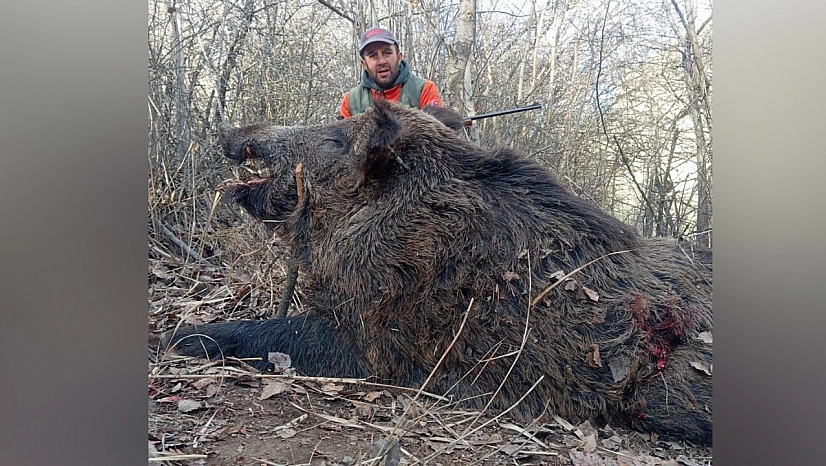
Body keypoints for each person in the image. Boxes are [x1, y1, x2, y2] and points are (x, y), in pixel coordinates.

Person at [339, 27, 444, 119]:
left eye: (387, 53)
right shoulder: (351, 101)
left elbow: (441, 136)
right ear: (364, 64)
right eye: (373, 55)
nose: (381, 61)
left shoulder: (424, 90)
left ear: (399, 57)